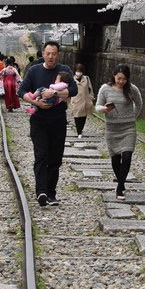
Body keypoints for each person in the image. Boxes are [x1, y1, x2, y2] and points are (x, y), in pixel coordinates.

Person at [18, 41, 77, 207]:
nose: (51, 56)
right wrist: (37, 103)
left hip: (58, 120)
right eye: (48, 53)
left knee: (55, 158)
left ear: (58, 55)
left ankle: (52, 193)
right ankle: (41, 192)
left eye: (54, 54)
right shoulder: (34, 70)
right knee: (41, 155)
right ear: (43, 54)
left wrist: (55, 92)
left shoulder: (64, 70)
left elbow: (73, 90)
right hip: (39, 120)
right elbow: (21, 91)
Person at [96, 64, 143, 200]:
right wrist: (103, 109)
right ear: (114, 75)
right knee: (115, 159)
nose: (121, 81)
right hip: (112, 128)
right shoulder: (105, 89)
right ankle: (121, 183)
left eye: (124, 79)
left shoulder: (132, 89)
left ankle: (119, 187)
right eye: (119, 78)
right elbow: (97, 106)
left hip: (128, 128)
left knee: (127, 156)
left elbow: (139, 104)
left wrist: (133, 116)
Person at [70, 63, 95, 138]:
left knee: (83, 116)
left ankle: (81, 130)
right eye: (77, 71)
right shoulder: (72, 79)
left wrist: (91, 97)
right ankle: (79, 132)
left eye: (80, 71)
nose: (78, 72)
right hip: (76, 101)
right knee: (77, 116)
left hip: (85, 100)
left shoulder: (86, 78)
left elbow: (90, 89)